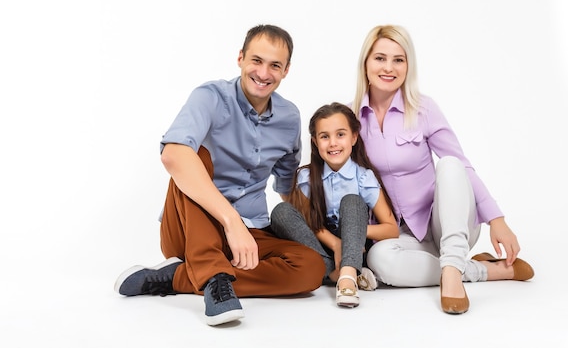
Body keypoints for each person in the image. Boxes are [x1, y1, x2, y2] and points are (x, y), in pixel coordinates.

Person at [113, 24, 326, 326]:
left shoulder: (289, 118)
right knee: (193, 153)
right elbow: (172, 155)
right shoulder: (210, 97)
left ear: (286, 70)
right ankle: (213, 276)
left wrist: (326, 237)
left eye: (274, 65)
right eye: (256, 60)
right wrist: (230, 222)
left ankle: (179, 277)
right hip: (191, 229)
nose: (264, 73)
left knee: (310, 268)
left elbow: (287, 187)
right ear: (240, 57)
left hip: (251, 234)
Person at [350, 24, 534, 315]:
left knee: (450, 164)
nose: (389, 67)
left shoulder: (423, 108)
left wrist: (496, 219)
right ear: (366, 63)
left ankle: (451, 272)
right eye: (380, 58)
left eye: (399, 59)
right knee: (380, 261)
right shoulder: (350, 120)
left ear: (408, 65)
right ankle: (479, 270)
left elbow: (463, 167)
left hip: (448, 223)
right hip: (402, 236)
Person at [270, 102, 399, 308]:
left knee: (352, 201)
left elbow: (391, 229)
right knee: (281, 211)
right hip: (320, 248)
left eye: (340, 134)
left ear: (354, 137)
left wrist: (351, 233)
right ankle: (331, 271)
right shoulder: (306, 177)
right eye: (324, 136)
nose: (333, 143)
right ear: (315, 141)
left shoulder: (363, 177)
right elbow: (307, 221)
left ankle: (347, 275)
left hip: (354, 250)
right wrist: (334, 243)